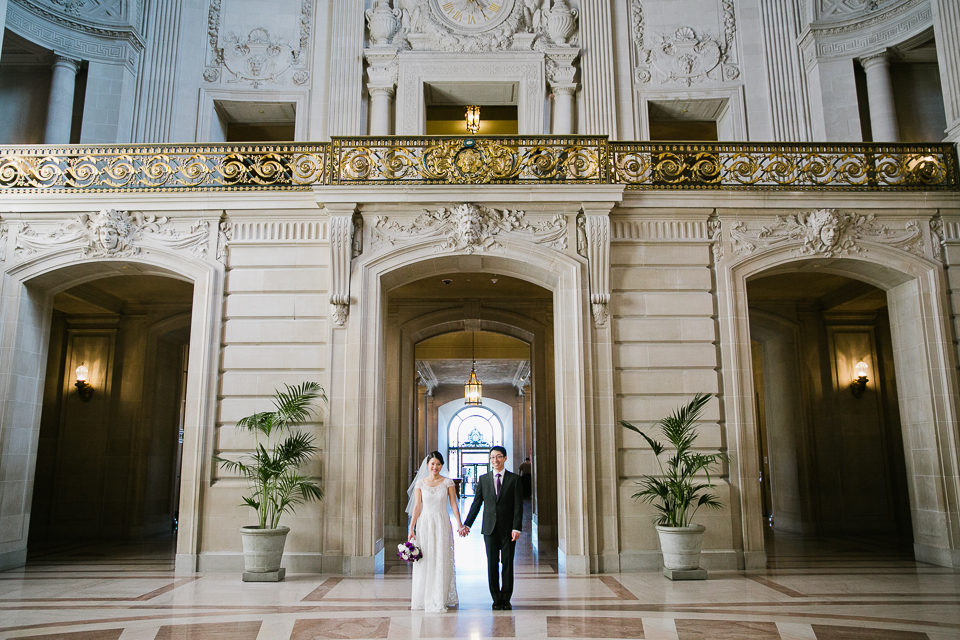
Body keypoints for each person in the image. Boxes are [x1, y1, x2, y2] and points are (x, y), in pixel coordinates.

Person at [461, 446, 523, 610]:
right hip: (489, 529)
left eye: (499, 457)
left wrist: (516, 528)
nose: (495, 460)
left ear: (505, 458)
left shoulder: (514, 479)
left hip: (509, 529)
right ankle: (496, 598)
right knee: (492, 563)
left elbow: (518, 506)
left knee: (508, 563)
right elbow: (476, 504)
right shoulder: (484, 479)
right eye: (492, 457)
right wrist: (467, 524)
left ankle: (506, 597)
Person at [407, 451, 463, 613]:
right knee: (425, 559)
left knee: (441, 558)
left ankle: (439, 597)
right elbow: (417, 507)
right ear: (427, 465)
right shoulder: (420, 484)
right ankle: (423, 597)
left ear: (442, 465)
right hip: (425, 523)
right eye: (432, 464)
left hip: (441, 522)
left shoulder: (448, 483)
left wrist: (459, 524)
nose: (435, 467)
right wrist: (411, 528)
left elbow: (453, 504)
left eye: (438, 464)